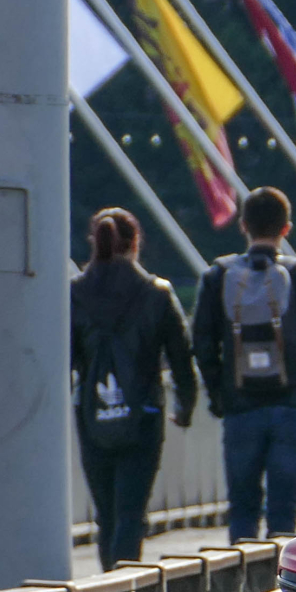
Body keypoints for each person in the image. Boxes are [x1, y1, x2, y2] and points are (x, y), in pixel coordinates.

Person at [192, 187, 296, 541]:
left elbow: (202, 343)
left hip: (240, 406)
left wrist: (219, 395)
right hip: (293, 405)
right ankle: (281, 588)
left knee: (242, 508)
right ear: (287, 228)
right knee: (285, 512)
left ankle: (242, 587)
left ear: (244, 225)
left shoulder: (218, 277)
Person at [70, 208, 195, 570]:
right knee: (131, 511)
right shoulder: (156, 294)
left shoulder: (75, 293)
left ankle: (107, 584)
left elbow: (64, 356)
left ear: (94, 242)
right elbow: (181, 359)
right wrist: (185, 408)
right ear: (136, 243)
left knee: (105, 514)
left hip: (91, 414)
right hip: (144, 413)